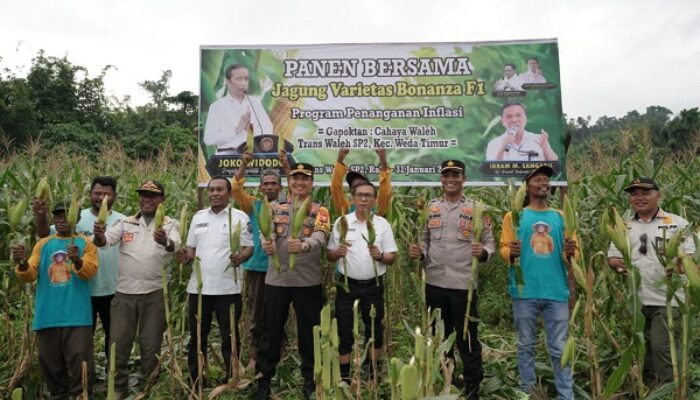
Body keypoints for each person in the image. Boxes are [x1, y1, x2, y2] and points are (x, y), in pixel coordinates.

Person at [408, 160, 495, 400]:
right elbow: (424, 240)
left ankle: (473, 386)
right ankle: (448, 381)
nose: (450, 179)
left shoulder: (477, 209)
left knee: (467, 338)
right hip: (434, 283)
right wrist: (420, 252)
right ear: (441, 179)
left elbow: (490, 242)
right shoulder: (430, 208)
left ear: (463, 179)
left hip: (463, 286)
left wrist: (484, 252)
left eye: (455, 175)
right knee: (440, 337)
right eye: (446, 175)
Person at [93, 180, 180, 397]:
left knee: (150, 348)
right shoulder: (125, 223)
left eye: (152, 196)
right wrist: (99, 233)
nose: (146, 200)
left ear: (162, 200)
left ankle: (148, 390)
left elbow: (174, 246)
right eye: (143, 195)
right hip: (124, 294)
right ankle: (117, 390)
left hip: (155, 294)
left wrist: (164, 240)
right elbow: (104, 242)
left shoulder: (170, 225)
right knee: (118, 346)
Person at [499, 165, 578, 399]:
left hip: (556, 292)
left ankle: (566, 395)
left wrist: (572, 251)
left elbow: (574, 254)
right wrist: (511, 253)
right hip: (524, 292)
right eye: (538, 179)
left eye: (546, 180)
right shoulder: (514, 217)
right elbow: (504, 249)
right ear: (527, 187)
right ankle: (528, 392)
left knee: (560, 349)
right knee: (525, 346)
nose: (544, 183)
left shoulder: (561, 217)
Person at [254, 162, 331, 400]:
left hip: (307, 282)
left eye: (305, 179)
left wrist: (306, 245)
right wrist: (266, 242)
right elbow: (263, 231)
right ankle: (263, 381)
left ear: (312, 183)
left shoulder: (320, 209)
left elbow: (321, 235)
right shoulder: (274, 206)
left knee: (309, 333)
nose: (299, 182)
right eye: (295, 178)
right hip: (276, 281)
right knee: (270, 332)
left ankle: (310, 379)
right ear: (289, 181)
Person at [607, 177, 695, 384]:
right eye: (634, 194)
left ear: (658, 195)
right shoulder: (624, 226)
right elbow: (612, 256)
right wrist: (617, 264)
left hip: (668, 298)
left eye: (645, 193)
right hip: (637, 299)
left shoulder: (676, 223)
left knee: (661, 346)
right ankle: (649, 386)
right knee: (642, 346)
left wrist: (679, 264)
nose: (639, 198)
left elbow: (690, 257)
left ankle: (670, 389)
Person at [12, 201, 99, 399]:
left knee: (81, 364)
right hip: (48, 316)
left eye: (66, 216)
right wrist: (23, 263)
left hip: (77, 317)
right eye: (58, 216)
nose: (61, 220)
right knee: (50, 364)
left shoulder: (86, 243)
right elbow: (30, 273)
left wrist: (77, 260)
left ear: (76, 218)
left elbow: (90, 272)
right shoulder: (43, 244)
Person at [34, 176, 125, 363]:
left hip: (113, 289)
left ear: (115, 195)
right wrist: (41, 215)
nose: (102, 197)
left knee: (114, 336)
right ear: (90, 194)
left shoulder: (122, 221)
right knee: (82, 339)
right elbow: (45, 234)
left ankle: (112, 375)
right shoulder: (75, 216)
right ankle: (84, 374)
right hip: (82, 291)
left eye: (107, 194)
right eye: (97, 193)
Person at [176, 176, 254, 387]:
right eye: (211, 190)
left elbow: (249, 247)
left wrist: (241, 257)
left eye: (220, 189)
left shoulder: (240, 217)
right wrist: (185, 257)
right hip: (199, 290)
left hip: (228, 289)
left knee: (230, 338)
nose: (214, 193)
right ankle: (196, 380)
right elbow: (191, 250)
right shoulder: (198, 217)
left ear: (229, 193)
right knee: (197, 338)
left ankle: (233, 379)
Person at [327, 181, 398, 382]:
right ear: (353, 198)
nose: (364, 199)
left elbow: (392, 258)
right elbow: (330, 255)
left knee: (374, 329)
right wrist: (336, 252)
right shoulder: (342, 222)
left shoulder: (382, 225)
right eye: (360, 195)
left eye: (368, 195)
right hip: (347, 285)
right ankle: (345, 376)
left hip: (373, 286)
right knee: (344, 330)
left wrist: (380, 256)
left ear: (375, 200)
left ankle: (373, 373)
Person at [231, 151, 286, 371]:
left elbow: (298, 188)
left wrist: (286, 165)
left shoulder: (287, 205)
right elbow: (235, 188)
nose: (270, 187)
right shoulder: (253, 205)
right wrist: (244, 164)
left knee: (278, 313)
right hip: (257, 268)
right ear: (261, 187)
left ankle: (278, 354)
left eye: (274, 183)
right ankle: (254, 356)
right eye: (266, 184)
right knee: (256, 314)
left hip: (280, 269)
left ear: (280, 187)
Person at [203, 64, 274, 155]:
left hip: (254, 158)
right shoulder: (217, 106)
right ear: (228, 82)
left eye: (246, 79)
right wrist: (237, 129)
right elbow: (209, 139)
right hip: (227, 159)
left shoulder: (255, 102)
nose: (244, 83)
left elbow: (268, 129)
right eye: (239, 79)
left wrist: (252, 131)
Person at [485, 102, 559, 162]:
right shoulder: (494, 144)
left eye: (518, 115)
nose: (514, 120)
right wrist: (501, 150)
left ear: (525, 119)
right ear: (502, 121)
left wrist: (545, 148)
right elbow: (491, 171)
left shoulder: (538, 139)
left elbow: (555, 166)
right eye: (509, 117)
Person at [330, 148, 392, 217]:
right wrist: (340, 159)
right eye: (354, 187)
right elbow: (335, 190)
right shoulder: (346, 209)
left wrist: (383, 163)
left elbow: (386, 194)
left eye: (361, 185)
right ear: (351, 192)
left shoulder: (376, 207)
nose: (358, 189)